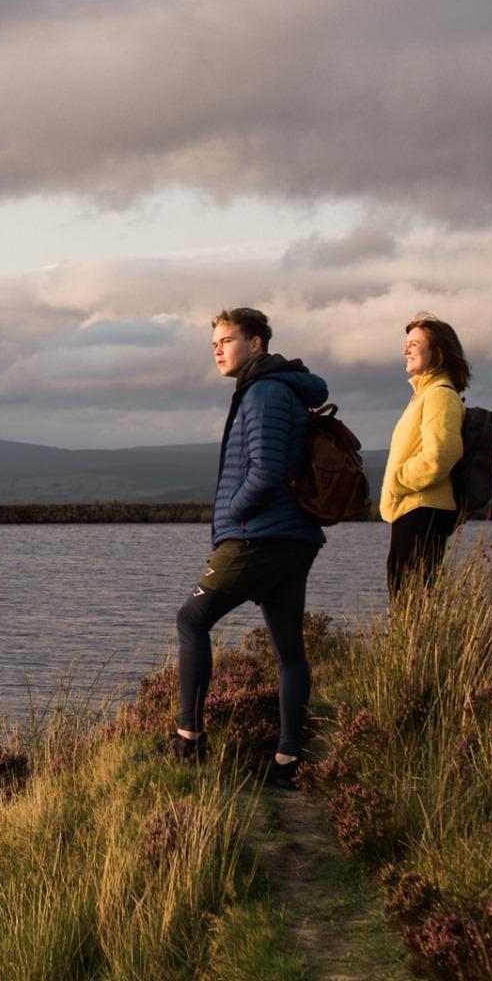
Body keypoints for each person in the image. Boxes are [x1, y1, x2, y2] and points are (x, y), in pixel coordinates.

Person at [168, 307, 328, 789]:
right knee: (289, 653)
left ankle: (189, 739)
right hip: (292, 539)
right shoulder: (277, 389)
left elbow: (265, 469)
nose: (217, 349)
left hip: (257, 537)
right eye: (213, 342)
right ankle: (286, 763)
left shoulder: (263, 393)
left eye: (226, 340)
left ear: (256, 343)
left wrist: (234, 514)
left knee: (191, 619)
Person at [381, 315, 468, 599]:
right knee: (406, 598)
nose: (406, 351)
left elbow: (441, 454)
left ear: (437, 352)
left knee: (411, 600)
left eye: (414, 344)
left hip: (423, 509)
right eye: (406, 344)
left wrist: (398, 480)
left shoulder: (440, 395)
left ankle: (415, 645)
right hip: (413, 507)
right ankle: (409, 646)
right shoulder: (424, 394)